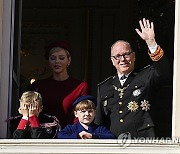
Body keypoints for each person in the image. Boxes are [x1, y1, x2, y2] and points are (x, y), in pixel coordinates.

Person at [94, 18, 171, 138]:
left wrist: (151, 43)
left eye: (126, 54)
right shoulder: (104, 87)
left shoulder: (147, 76)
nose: (123, 59)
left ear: (133, 56)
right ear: (112, 61)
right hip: (114, 144)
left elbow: (164, 73)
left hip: (144, 142)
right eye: (118, 56)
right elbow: (99, 122)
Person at [30, 41, 88, 129]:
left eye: (61, 58)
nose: (57, 61)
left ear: (69, 60)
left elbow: (84, 114)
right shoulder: (38, 86)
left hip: (70, 137)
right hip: (43, 136)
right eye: (53, 58)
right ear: (48, 61)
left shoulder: (80, 86)